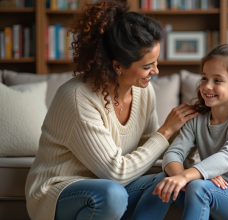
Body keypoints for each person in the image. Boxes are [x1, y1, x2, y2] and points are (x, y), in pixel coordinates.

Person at [24, 1, 198, 220]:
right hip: (61, 191)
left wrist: (193, 141)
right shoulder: (78, 98)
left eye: (155, 62)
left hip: (107, 185)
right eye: (147, 66)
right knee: (112, 193)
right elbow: (116, 174)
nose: (156, 70)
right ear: (117, 65)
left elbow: (150, 148)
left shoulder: (144, 91)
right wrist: (165, 132)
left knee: (164, 181)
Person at [150, 42, 228, 220]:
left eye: (217, 80)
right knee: (165, 181)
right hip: (207, 190)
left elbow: (227, 157)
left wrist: (191, 176)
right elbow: (173, 154)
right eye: (204, 78)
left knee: (199, 186)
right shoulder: (197, 119)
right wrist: (183, 177)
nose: (207, 86)